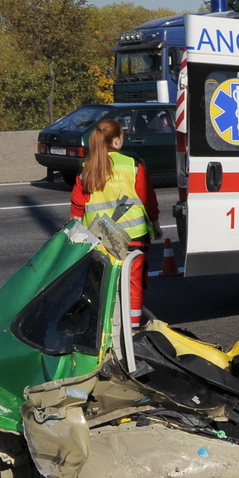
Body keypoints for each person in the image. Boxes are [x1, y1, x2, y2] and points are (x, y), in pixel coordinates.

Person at [70, 117, 159, 327]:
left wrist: (74, 233)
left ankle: (105, 327)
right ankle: (132, 327)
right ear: (117, 141)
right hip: (133, 236)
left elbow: (77, 206)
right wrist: (155, 223)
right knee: (133, 283)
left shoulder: (86, 168)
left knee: (103, 284)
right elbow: (148, 198)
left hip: (100, 237)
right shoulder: (132, 165)